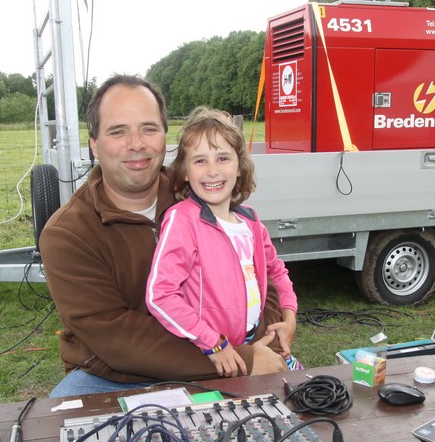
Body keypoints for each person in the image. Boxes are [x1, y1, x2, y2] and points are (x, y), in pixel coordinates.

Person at [39, 75, 290, 397]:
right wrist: (244, 359)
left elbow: (259, 271)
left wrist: (268, 336)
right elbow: (117, 338)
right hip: (120, 374)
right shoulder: (68, 234)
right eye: (118, 131)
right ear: (94, 144)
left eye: (149, 128)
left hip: (226, 353)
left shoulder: (203, 189)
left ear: (165, 137)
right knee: (61, 411)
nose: (136, 143)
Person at [146, 107, 298, 378]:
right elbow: (160, 295)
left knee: (299, 393)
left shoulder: (250, 221)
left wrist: (289, 316)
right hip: (215, 351)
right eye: (200, 161)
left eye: (223, 158)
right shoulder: (183, 220)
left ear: (239, 167)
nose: (212, 171)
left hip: (258, 340)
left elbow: (277, 270)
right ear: (184, 171)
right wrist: (213, 342)